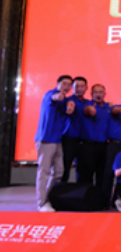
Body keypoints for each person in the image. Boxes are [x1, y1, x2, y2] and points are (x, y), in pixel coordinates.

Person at [34, 75, 72, 212]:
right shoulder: (50, 94)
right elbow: (54, 98)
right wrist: (58, 97)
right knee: (44, 172)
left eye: (69, 84)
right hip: (46, 139)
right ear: (58, 83)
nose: (66, 87)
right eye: (64, 83)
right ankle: (41, 203)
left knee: (59, 172)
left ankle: (47, 198)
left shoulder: (66, 100)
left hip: (57, 140)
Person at [79, 84, 110, 189]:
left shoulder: (108, 107)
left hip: (103, 145)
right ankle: (86, 197)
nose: (98, 94)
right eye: (96, 92)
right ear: (91, 94)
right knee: (86, 174)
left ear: (104, 94)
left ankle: (99, 198)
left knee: (101, 174)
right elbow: (87, 110)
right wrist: (90, 110)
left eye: (101, 92)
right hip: (88, 145)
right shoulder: (87, 104)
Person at [61, 76, 87, 182]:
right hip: (69, 140)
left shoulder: (89, 103)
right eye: (76, 86)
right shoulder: (67, 100)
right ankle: (60, 190)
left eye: (82, 86)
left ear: (86, 88)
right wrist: (70, 108)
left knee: (82, 170)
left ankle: (80, 191)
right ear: (72, 87)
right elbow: (69, 105)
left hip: (84, 141)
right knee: (64, 168)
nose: (79, 88)